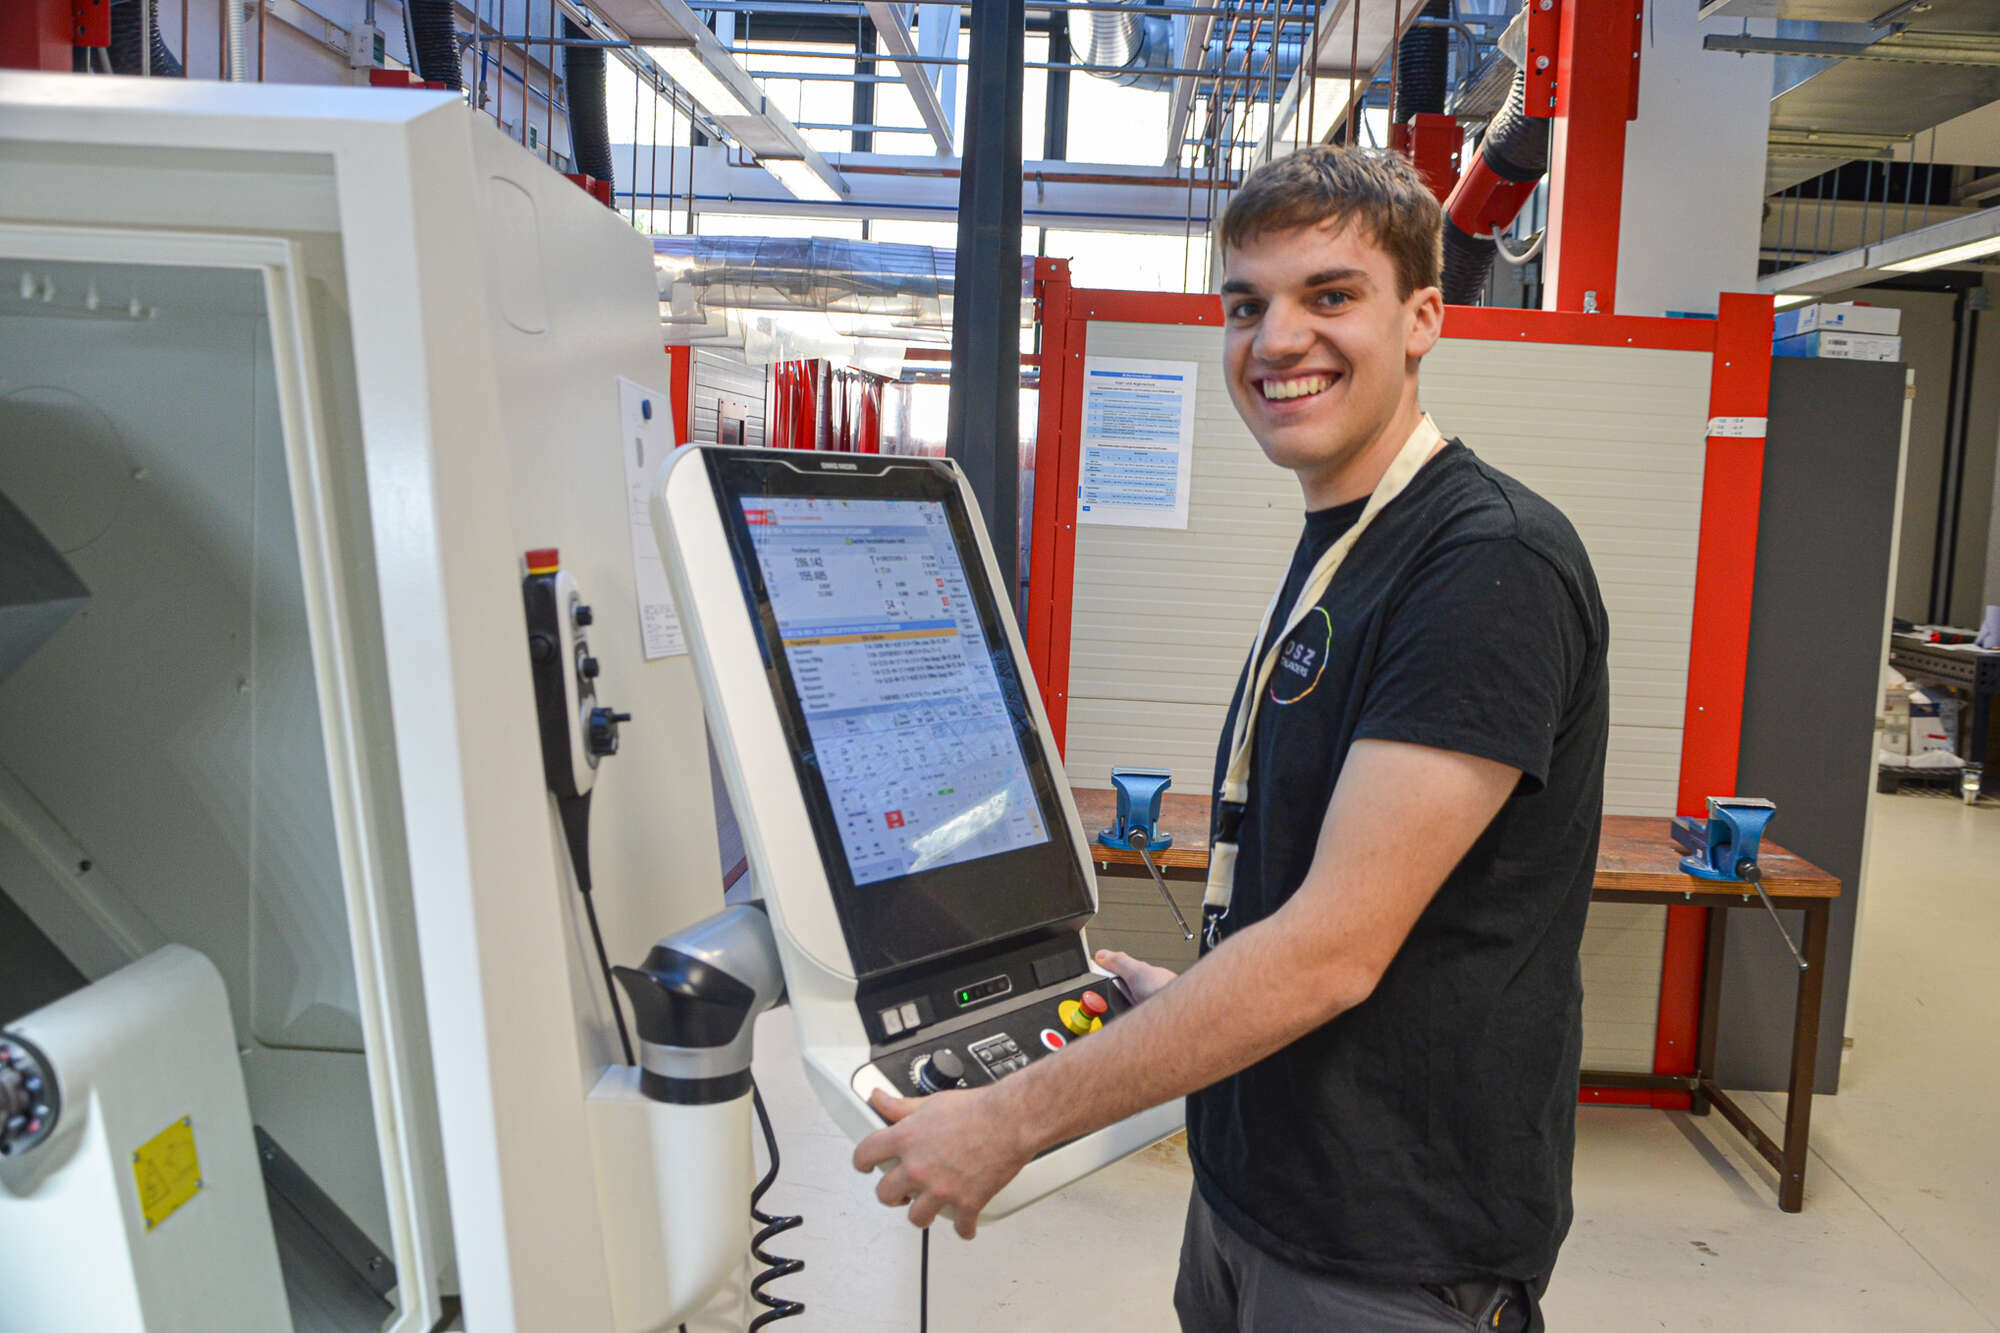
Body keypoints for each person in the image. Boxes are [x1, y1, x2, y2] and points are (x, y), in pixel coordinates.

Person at [853, 144, 1610, 1332]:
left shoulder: (1484, 564)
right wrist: (1192, 998)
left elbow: (1329, 952)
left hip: (1387, 1250)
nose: (1276, 340)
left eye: (1328, 295)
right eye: (1245, 305)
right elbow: (1321, 899)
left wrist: (1009, 1118)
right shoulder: (1348, 541)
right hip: (1256, 1188)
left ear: (1421, 319)